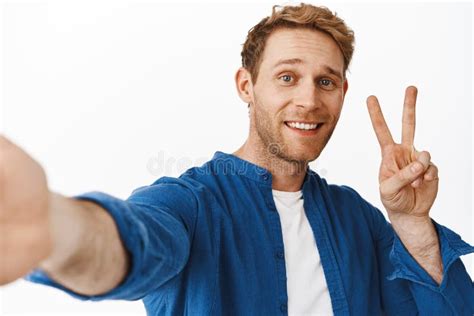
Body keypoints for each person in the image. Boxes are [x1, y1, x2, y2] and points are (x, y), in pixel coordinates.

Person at [1, 3, 473, 315]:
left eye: (326, 82)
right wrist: (56, 228)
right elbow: (131, 244)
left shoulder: (359, 219)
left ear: (342, 93)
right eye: (287, 77)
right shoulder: (189, 203)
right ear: (246, 86)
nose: (309, 100)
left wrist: (412, 223)